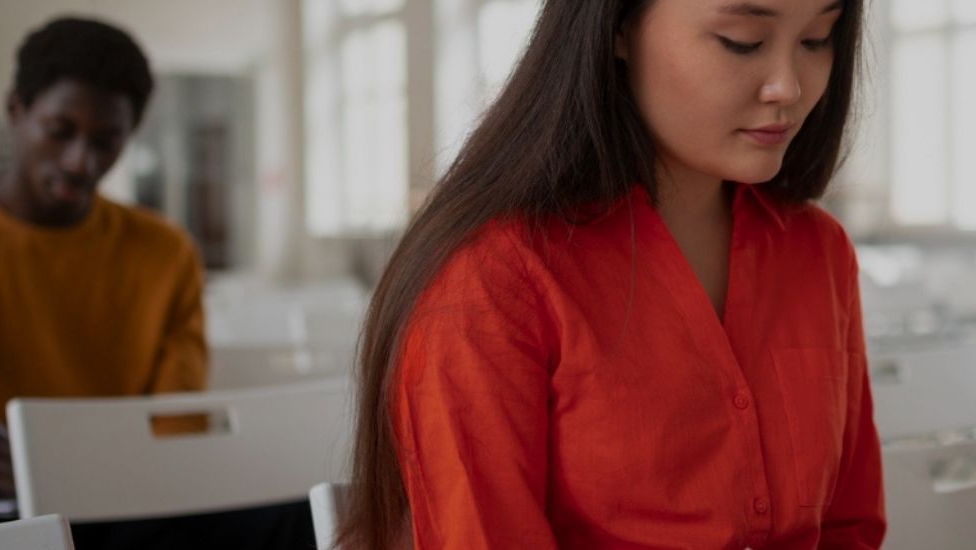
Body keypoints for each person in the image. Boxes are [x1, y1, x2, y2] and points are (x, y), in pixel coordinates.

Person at [336, 0, 884, 548]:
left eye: (817, 39)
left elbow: (849, 527)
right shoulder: (492, 282)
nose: (788, 86)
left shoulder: (819, 253)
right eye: (741, 40)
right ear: (618, 27)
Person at [0, 16, 308, 548]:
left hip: (132, 495)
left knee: (303, 518)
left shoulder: (165, 253)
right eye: (60, 130)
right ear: (16, 109)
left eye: (106, 141)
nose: (81, 161)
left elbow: (178, 423)